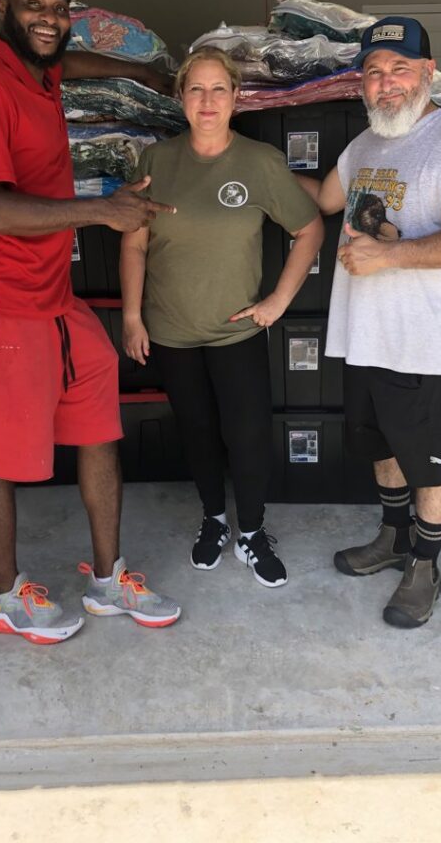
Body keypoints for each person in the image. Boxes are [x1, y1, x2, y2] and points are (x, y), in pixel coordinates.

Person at [0, 0, 181, 645]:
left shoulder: (38, 74)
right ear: (1, 9)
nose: (49, 15)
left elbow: (68, 63)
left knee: (100, 430)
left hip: (54, 299)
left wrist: (140, 72)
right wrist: (100, 211)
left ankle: (108, 582)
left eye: (59, 5)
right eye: (32, 2)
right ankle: (5, 596)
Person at [305, 16, 441, 628]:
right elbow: (323, 200)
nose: (386, 82)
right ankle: (392, 538)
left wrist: (388, 254)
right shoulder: (363, 146)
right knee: (381, 446)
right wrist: (244, 169)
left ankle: (424, 565)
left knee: (430, 461)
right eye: (374, 71)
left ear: (428, 72)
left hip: (427, 344)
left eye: (399, 68)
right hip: (365, 333)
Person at [120, 47, 323, 587]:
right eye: (195, 89)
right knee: (198, 432)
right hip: (171, 332)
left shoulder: (260, 162)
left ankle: (251, 533)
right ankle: (213, 520)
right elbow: (135, 245)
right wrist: (133, 317)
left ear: (236, 98)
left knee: (249, 434)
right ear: (181, 98)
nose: (207, 101)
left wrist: (278, 301)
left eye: (218, 90)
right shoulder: (156, 162)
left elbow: (309, 230)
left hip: (236, 330)